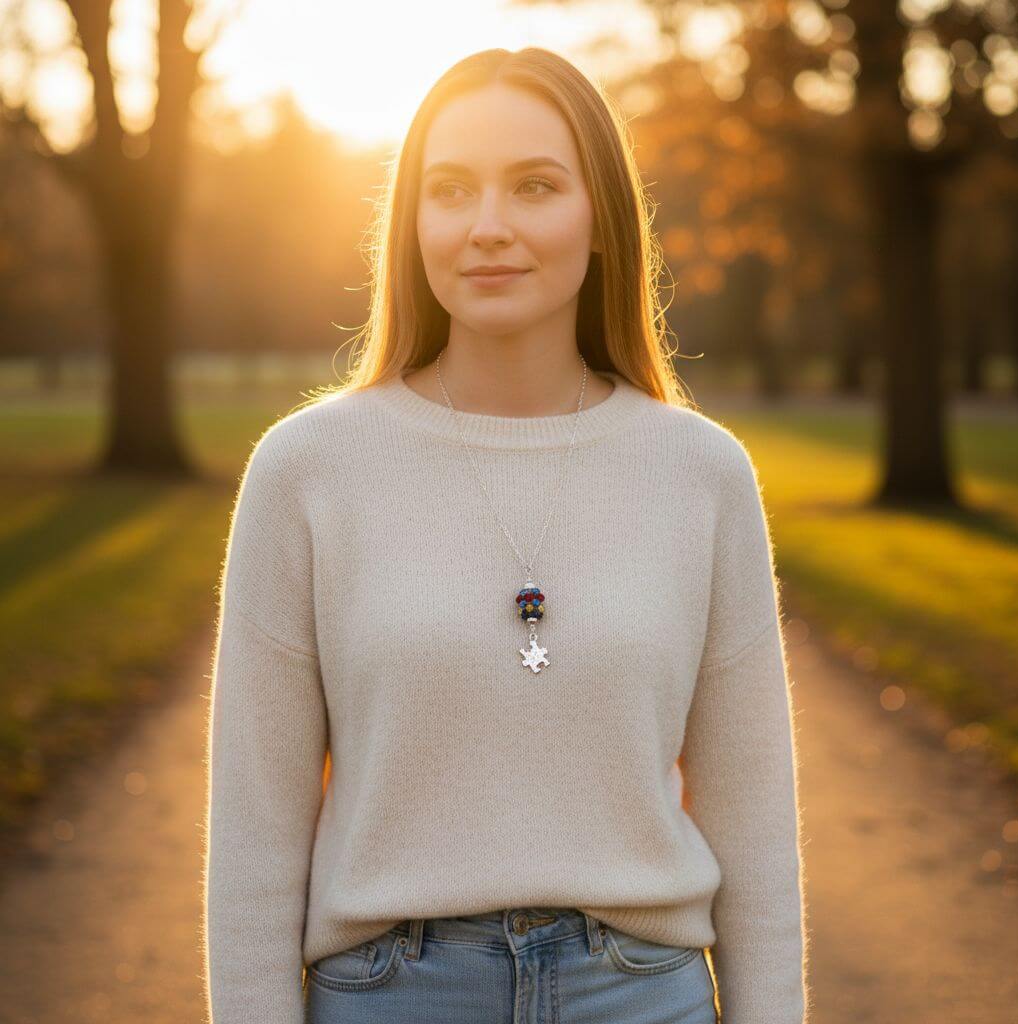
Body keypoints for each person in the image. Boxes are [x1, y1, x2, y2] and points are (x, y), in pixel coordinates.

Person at [203, 46, 808, 1024]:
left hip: (641, 994)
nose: (488, 228)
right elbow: (255, 829)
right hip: (390, 994)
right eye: (450, 190)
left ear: (601, 218)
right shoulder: (308, 469)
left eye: (534, 186)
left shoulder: (701, 474)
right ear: (411, 224)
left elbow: (752, 817)